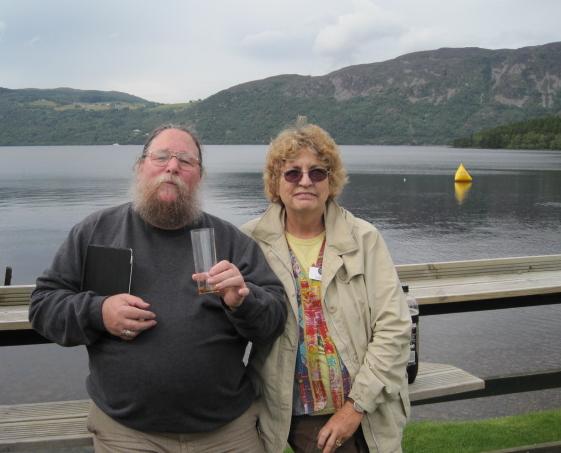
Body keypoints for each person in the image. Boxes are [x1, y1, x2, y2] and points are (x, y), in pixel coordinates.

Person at [29, 124, 287, 453]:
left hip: (226, 432)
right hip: (127, 432)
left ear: (200, 176)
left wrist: (244, 302)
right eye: (161, 156)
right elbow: (43, 307)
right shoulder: (96, 232)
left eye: (186, 161)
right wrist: (99, 312)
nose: (172, 167)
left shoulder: (231, 241)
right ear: (140, 167)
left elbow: (274, 321)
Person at [241, 117, 411, 453]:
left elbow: (394, 328)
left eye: (317, 172)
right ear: (276, 183)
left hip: (360, 407)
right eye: (292, 173)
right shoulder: (249, 242)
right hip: (282, 410)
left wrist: (355, 408)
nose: (305, 181)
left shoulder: (364, 239)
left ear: (330, 182)